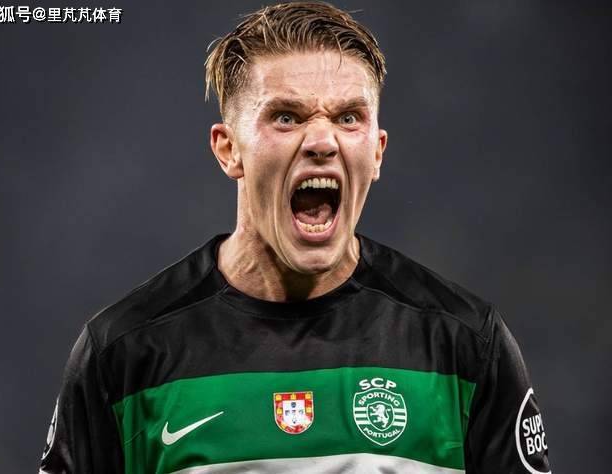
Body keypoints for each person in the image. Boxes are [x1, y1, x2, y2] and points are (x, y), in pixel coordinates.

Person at [39, 2, 551, 473]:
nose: (322, 141)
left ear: (377, 151)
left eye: (348, 118)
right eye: (286, 117)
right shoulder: (125, 352)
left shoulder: (463, 343)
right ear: (228, 149)